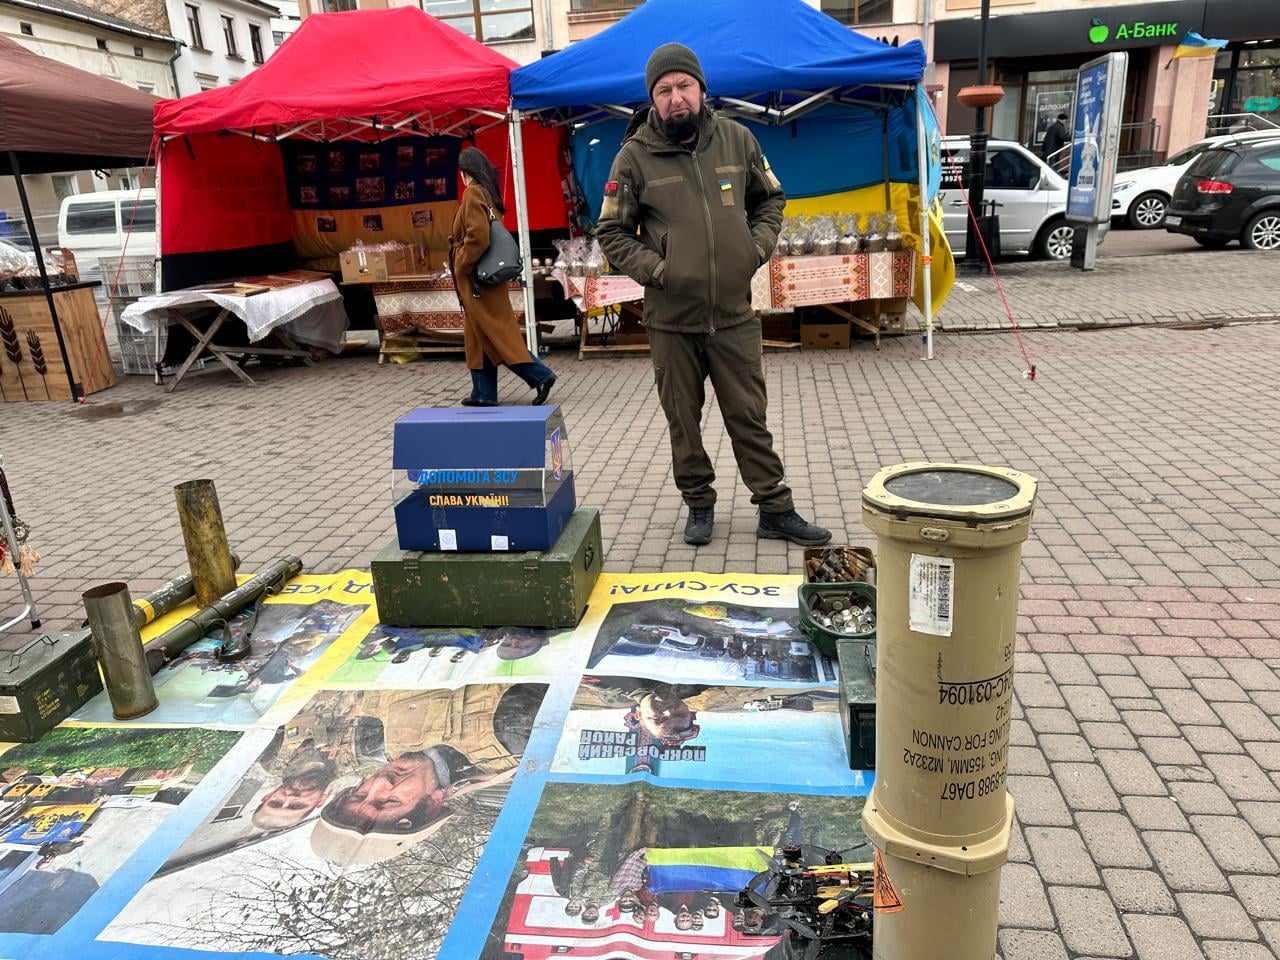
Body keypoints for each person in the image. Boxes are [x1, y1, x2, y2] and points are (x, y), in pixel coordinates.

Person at [597, 43, 830, 548]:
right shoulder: (633, 156)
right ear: (653, 99)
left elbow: (770, 197)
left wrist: (757, 246)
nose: (675, 98)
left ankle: (775, 508)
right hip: (670, 322)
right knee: (684, 419)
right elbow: (612, 233)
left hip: (733, 316)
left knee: (748, 415)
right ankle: (699, 504)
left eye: (683, 86)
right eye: (664, 90)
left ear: (701, 89)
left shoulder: (738, 140)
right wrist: (658, 269)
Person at [309, 684, 540, 865]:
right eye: (390, 801)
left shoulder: (374, 732)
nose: (380, 781)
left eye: (360, 795)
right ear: (432, 804)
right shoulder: (511, 743)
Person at [450, 147, 556, 407]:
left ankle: (541, 375)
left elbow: (478, 237)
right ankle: (483, 393)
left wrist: (462, 263)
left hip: (477, 282)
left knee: (498, 336)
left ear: (466, 172)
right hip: (483, 282)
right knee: (479, 336)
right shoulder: (488, 194)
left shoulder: (473, 194)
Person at [251, 749, 337, 831]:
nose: (290, 797)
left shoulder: (272, 760)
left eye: (276, 803)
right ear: (321, 801)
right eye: (297, 805)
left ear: (268, 796)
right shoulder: (349, 774)